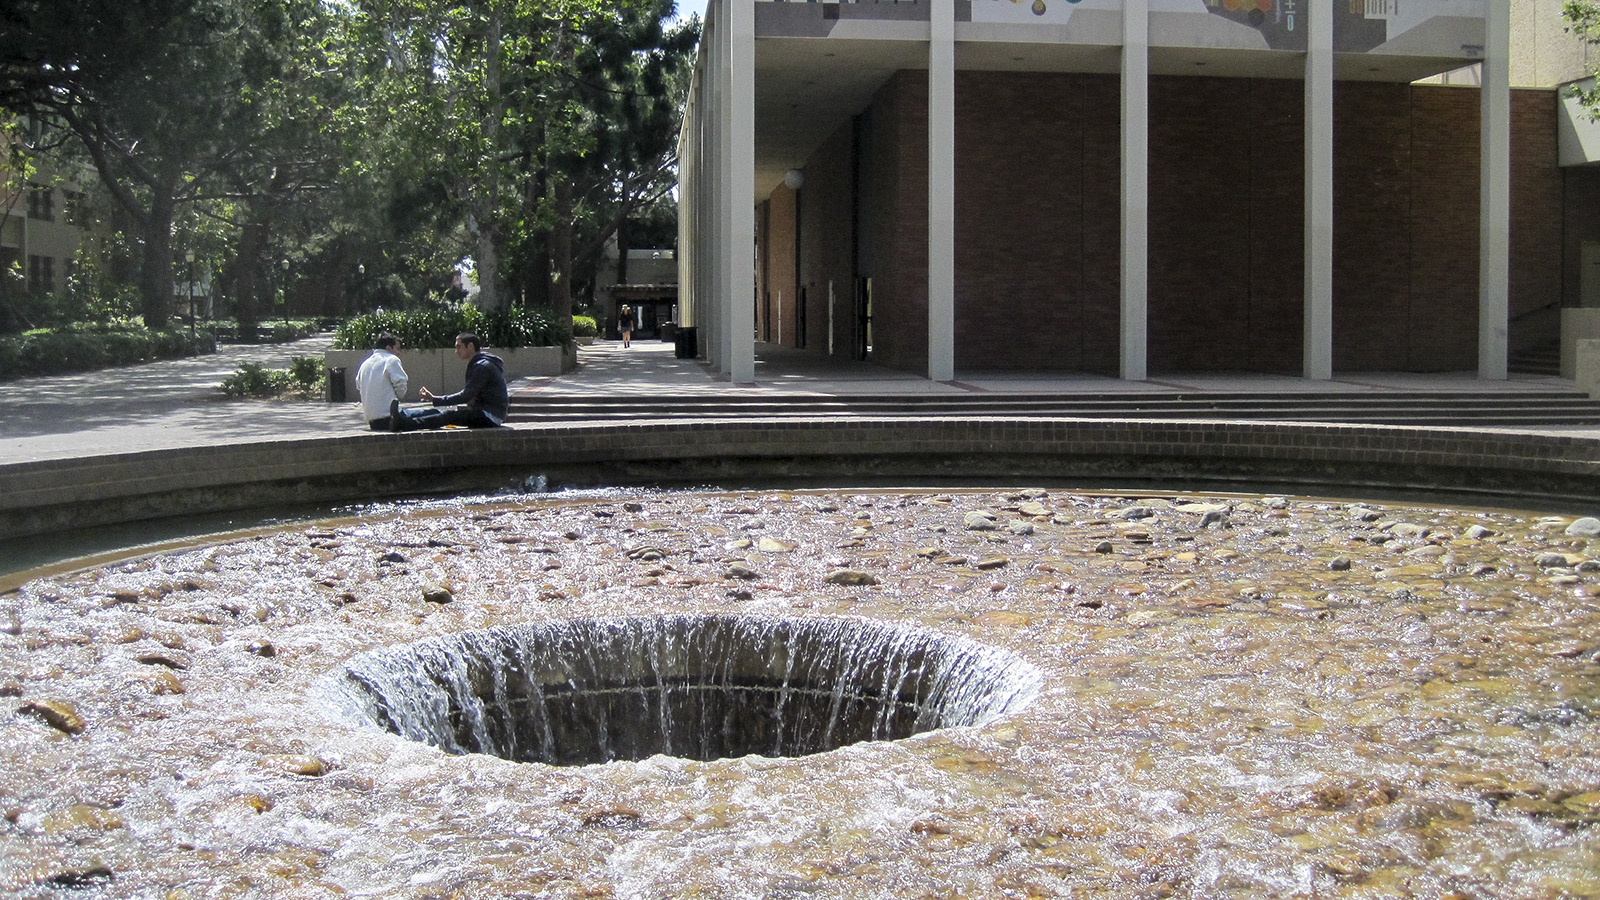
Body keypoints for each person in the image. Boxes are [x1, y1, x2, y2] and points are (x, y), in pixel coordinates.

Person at [392, 332, 508, 430]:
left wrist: (435, 399)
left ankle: (405, 424)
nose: (456, 351)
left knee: (449, 415)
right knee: (441, 413)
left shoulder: (482, 366)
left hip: (490, 416)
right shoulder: (479, 364)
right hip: (486, 412)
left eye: (459, 347)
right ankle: (404, 419)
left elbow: (465, 396)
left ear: (471, 346)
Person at [354, 334, 408, 432]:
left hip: (372, 422)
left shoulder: (364, 364)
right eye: (397, 348)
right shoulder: (391, 359)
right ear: (388, 348)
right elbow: (401, 383)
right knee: (428, 416)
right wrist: (397, 399)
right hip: (390, 418)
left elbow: (359, 386)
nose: (399, 353)